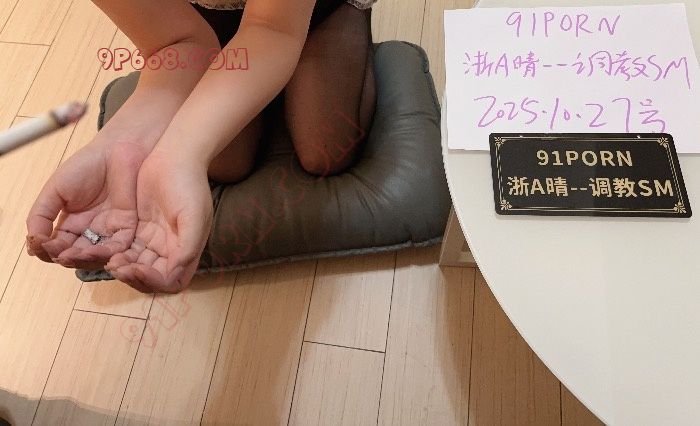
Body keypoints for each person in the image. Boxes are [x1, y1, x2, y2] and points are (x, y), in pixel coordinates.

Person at [25, 0, 376, 293]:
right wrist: (137, 145)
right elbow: (174, 42)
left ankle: (344, 14)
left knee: (327, 152)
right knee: (226, 164)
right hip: (204, 11)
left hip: (311, 9)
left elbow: (272, 28)